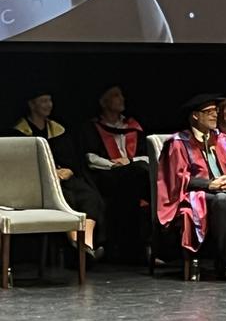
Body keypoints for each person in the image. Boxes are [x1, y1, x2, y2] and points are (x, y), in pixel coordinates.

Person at [157, 93, 226, 282]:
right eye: (209, 112)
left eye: (216, 111)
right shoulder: (179, 142)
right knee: (221, 199)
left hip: (225, 190)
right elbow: (178, 178)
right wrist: (210, 184)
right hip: (195, 194)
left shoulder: (224, 140)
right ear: (195, 115)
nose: (215, 115)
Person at [14, 91, 105, 258]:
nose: (49, 105)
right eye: (43, 101)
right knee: (66, 199)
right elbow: (19, 165)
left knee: (90, 197)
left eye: (50, 100)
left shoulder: (58, 130)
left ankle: (87, 244)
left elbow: (72, 161)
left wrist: (69, 170)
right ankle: (79, 248)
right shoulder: (19, 132)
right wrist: (48, 173)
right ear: (31, 105)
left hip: (63, 179)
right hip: (37, 184)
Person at [79, 84, 151, 262]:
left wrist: (130, 162)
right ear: (104, 102)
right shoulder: (92, 127)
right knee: (137, 176)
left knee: (138, 173)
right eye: (116, 95)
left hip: (134, 174)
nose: (122, 99)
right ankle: (138, 251)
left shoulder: (133, 126)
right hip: (107, 177)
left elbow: (150, 156)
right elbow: (90, 158)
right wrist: (114, 166)